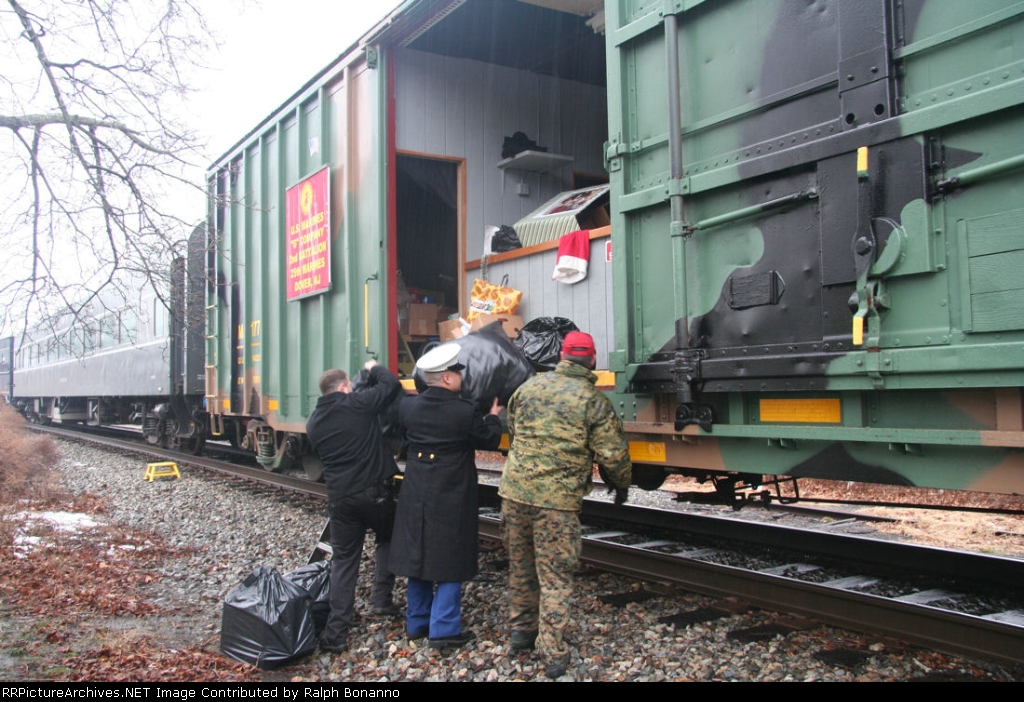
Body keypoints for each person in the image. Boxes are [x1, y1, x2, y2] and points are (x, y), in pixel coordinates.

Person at [499, 331, 631, 679]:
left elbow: (513, 429)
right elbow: (612, 454)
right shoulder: (593, 400)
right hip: (556, 504)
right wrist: (620, 485)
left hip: (513, 495)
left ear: (561, 355)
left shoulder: (528, 388)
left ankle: (521, 633)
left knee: (522, 566)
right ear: (592, 360)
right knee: (555, 575)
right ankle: (553, 651)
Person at [389, 343, 503, 649]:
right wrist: (493, 416)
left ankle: (417, 623)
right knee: (451, 555)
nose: (461, 378)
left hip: (416, 491)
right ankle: (444, 629)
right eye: (457, 373)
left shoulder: (408, 407)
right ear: (448, 379)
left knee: (418, 553)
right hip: (452, 492)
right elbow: (490, 439)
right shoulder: (464, 412)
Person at [306, 360, 402, 654]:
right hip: (374, 492)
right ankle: (381, 600)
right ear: (345, 387)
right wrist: (374, 368)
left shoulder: (314, 421)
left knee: (344, 561)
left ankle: (336, 633)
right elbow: (391, 386)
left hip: (341, 499)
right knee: (388, 537)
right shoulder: (357, 404)